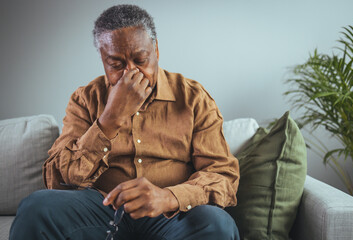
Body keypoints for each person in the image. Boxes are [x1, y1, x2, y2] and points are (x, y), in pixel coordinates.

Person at [9, 4, 240, 240]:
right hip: (101, 209)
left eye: (140, 59)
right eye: (116, 65)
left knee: (217, 224)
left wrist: (168, 197)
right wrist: (110, 118)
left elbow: (222, 176)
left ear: (156, 51)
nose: (132, 74)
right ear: (102, 59)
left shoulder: (193, 98)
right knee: (36, 207)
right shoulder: (85, 99)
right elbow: (57, 179)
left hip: (170, 215)